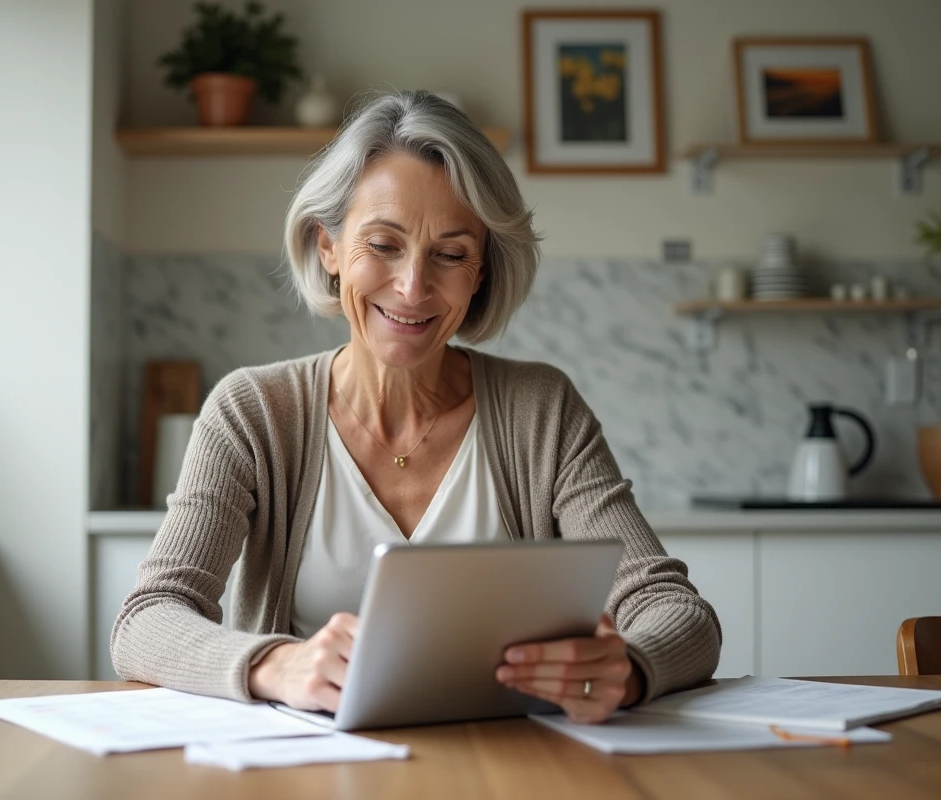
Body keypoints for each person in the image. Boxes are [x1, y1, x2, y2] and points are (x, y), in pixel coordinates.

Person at [111, 90, 720, 724]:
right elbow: (147, 619)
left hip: (510, 771)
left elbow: (676, 612)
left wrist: (629, 667)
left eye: (451, 254)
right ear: (328, 248)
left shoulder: (541, 409)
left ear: (480, 272)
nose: (413, 287)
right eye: (382, 244)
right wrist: (277, 665)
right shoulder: (253, 412)